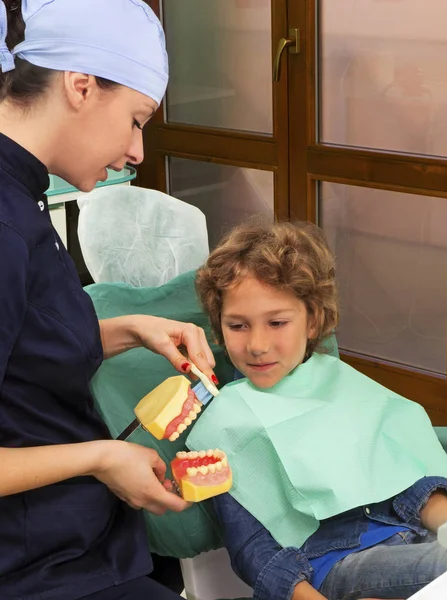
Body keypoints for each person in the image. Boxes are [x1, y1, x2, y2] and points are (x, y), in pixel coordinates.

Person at [0, 1, 218, 598]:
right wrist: (99, 458)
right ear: (81, 86)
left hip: (84, 532)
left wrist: (131, 328)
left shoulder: (23, 193)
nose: (137, 152)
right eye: (138, 120)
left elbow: (22, 347)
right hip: (33, 566)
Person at [187, 220, 447, 600]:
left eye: (277, 322)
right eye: (238, 326)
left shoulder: (341, 383)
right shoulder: (224, 427)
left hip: (413, 540)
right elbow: (254, 551)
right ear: (218, 327)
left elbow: (411, 479)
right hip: (335, 565)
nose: (258, 344)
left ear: (312, 320)